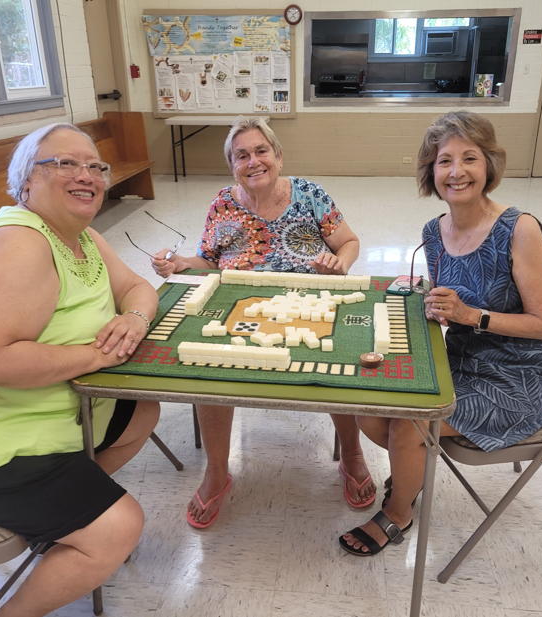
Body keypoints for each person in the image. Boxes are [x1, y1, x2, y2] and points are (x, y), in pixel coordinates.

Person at [339, 110, 542, 556]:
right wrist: (439, 309)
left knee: (407, 422)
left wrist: (469, 315)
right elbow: (448, 307)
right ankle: (411, 468)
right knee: (366, 405)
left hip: (519, 377)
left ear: (489, 166)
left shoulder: (519, 229)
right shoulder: (434, 231)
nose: (457, 172)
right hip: (458, 360)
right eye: (445, 160)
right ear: (431, 170)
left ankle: (399, 511)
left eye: (470, 158)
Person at [152, 116, 376, 528]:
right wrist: (184, 264)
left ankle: (352, 452)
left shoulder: (309, 194)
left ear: (278, 156)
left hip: (308, 300)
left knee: (341, 362)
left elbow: (348, 242)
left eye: (261, 151)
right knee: (207, 365)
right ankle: (218, 471)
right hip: (241, 303)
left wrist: (338, 263)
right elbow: (211, 260)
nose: (253, 161)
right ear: (231, 165)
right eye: (242, 155)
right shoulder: (223, 202)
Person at [0, 123, 160, 615]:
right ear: (25, 183)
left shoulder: (80, 236)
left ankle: (61, 523)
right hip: (0, 442)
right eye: (64, 163)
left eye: (94, 166)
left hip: (62, 412)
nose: (87, 175)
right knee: (121, 527)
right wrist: (100, 354)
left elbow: (139, 287)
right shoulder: (19, 242)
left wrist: (134, 319)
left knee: (142, 410)